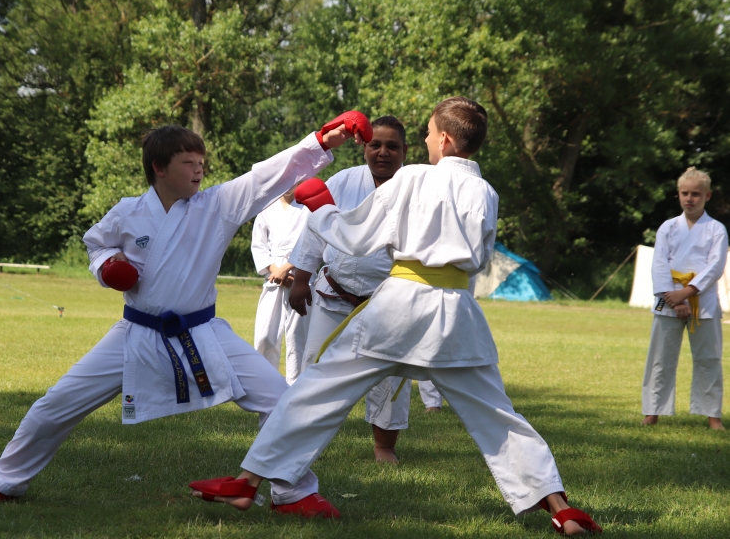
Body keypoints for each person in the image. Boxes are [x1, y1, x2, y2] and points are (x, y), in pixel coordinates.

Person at [189, 97, 602, 536]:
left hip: (399, 309)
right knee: (498, 414)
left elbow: (356, 237)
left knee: (316, 389)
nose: (425, 139)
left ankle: (249, 482)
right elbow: (480, 260)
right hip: (456, 313)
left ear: (445, 139)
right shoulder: (486, 192)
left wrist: (322, 207)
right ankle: (560, 507)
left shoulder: (412, 178)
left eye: (428, 133)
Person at [0, 113, 368, 518]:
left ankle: (293, 491)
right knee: (57, 402)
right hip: (138, 331)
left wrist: (321, 141)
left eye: (201, 161)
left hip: (203, 330)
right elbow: (96, 244)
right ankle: (3, 478)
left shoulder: (217, 206)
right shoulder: (128, 212)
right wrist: (108, 267)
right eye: (188, 162)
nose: (199, 169)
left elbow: (265, 177)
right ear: (159, 168)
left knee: (280, 399)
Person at [287, 115, 442, 464]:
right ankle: (303, 439)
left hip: (391, 301)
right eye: (376, 145)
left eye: (392, 146)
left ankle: (384, 447)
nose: (383, 152)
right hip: (334, 293)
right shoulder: (343, 180)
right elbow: (315, 227)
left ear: (405, 151)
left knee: (391, 374)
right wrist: (301, 279)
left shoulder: (418, 189)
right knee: (316, 365)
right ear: (364, 148)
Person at [642, 167, 727, 431]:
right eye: (685, 193)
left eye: (696, 194)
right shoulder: (667, 227)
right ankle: (652, 411)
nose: (689, 198)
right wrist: (675, 299)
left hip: (703, 299)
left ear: (707, 196)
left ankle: (712, 415)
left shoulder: (716, 229)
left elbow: (715, 267)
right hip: (667, 297)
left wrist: (687, 292)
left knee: (709, 358)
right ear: (678, 194)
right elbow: (658, 265)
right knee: (660, 357)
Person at [250, 185, 310, 383]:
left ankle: (295, 388)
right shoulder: (267, 207)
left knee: (296, 338)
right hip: (273, 277)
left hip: (301, 276)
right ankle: (266, 384)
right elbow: (258, 245)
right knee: (265, 335)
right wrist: (275, 270)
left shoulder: (309, 208)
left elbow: (314, 244)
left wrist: (289, 269)